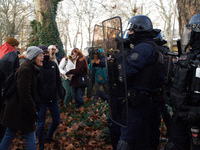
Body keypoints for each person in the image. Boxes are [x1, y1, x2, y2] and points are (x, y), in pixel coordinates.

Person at [116, 15, 164, 150]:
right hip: (151, 102)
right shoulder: (155, 48)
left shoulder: (143, 48)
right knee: (147, 139)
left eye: (131, 30)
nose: (129, 34)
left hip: (138, 104)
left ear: (138, 30)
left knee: (127, 140)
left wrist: (123, 53)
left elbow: (125, 72)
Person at [164, 13, 200, 150]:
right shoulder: (189, 57)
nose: (189, 34)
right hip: (182, 118)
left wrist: (195, 113)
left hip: (194, 119)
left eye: (191, 30)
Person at [0, 46, 44, 150]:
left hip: (18, 109)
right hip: (20, 110)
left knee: (10, 134)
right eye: (40, 55)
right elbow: (24, 93)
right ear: (33, 56)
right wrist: (32, 110)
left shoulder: (29, 68)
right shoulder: (26, 70)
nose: (43, 57)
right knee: (29, 135)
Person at [36, 45, 64, 150]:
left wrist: (61, 95)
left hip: (53, 99)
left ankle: (48, 136)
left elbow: (58, 80)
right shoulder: (37, 67)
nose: (45, 55)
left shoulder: (53, 65)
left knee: (56, 120)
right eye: (43, 53)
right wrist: (36, 99)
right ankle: (41, 145)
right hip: (42, 101)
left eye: (46, 53)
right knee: (40, 124)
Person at [0, 37, 20, 139]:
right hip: (4, 89)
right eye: (17, 45)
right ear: (13, 46)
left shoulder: (2, 50)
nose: (18, 47)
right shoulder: (12, 54)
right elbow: (10, 76)